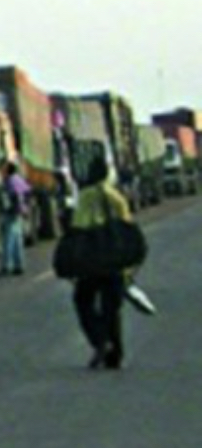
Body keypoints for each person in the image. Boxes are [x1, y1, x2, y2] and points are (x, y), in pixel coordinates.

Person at [69, 157, 134, 369]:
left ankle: (99, 340)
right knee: (112, 309)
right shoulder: (117, 198)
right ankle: (115, 355)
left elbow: (78, 229)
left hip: (92, 262)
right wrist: (128, 269)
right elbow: (128, 232)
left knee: (83, 300)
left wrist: (74, 264)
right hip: (114, 261)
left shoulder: (86, 197)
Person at [0, 160, 29, 276]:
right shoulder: (19, 179)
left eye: (3, 169)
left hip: (11, 214)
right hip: (18, 214)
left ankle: (6, 267)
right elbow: (26, 193)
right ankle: (19, 265)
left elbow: (14, 197)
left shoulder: (9, 181)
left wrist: (14, 209)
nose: (1, 171)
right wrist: (23, 210)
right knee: (17, 241)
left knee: (7, 241)